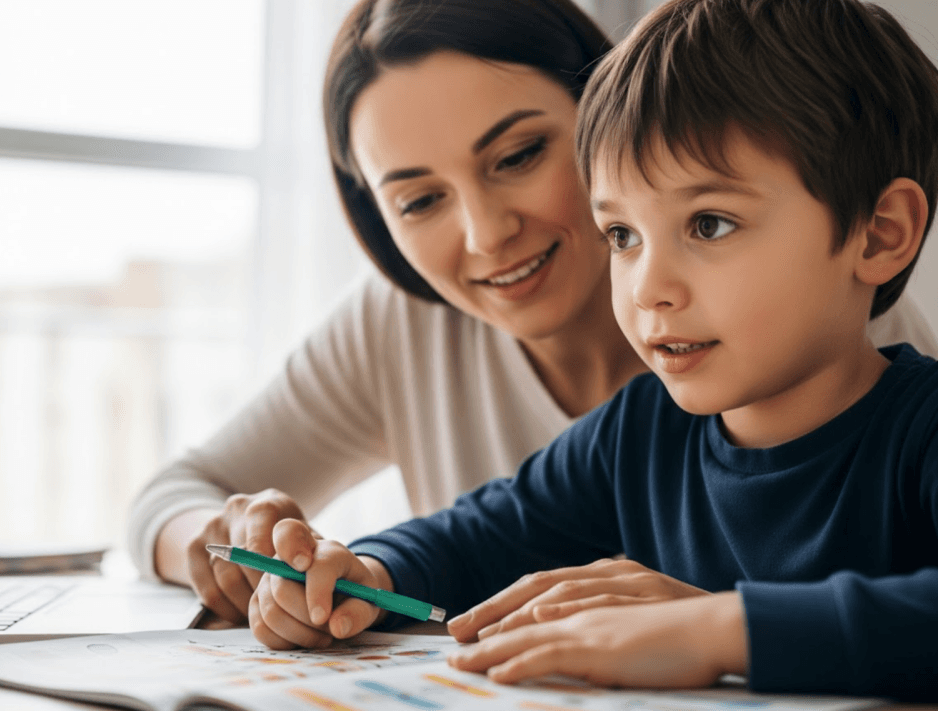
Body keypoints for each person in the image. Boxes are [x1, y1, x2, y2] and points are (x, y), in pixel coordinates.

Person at [127, 0, 938, 625]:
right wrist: (362, 574)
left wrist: (719, 624)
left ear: (881, 234)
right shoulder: (638, 430)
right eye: (621, 232)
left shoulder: (899, 407)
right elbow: (475, 534)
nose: (650, 285)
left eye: (710, 223)